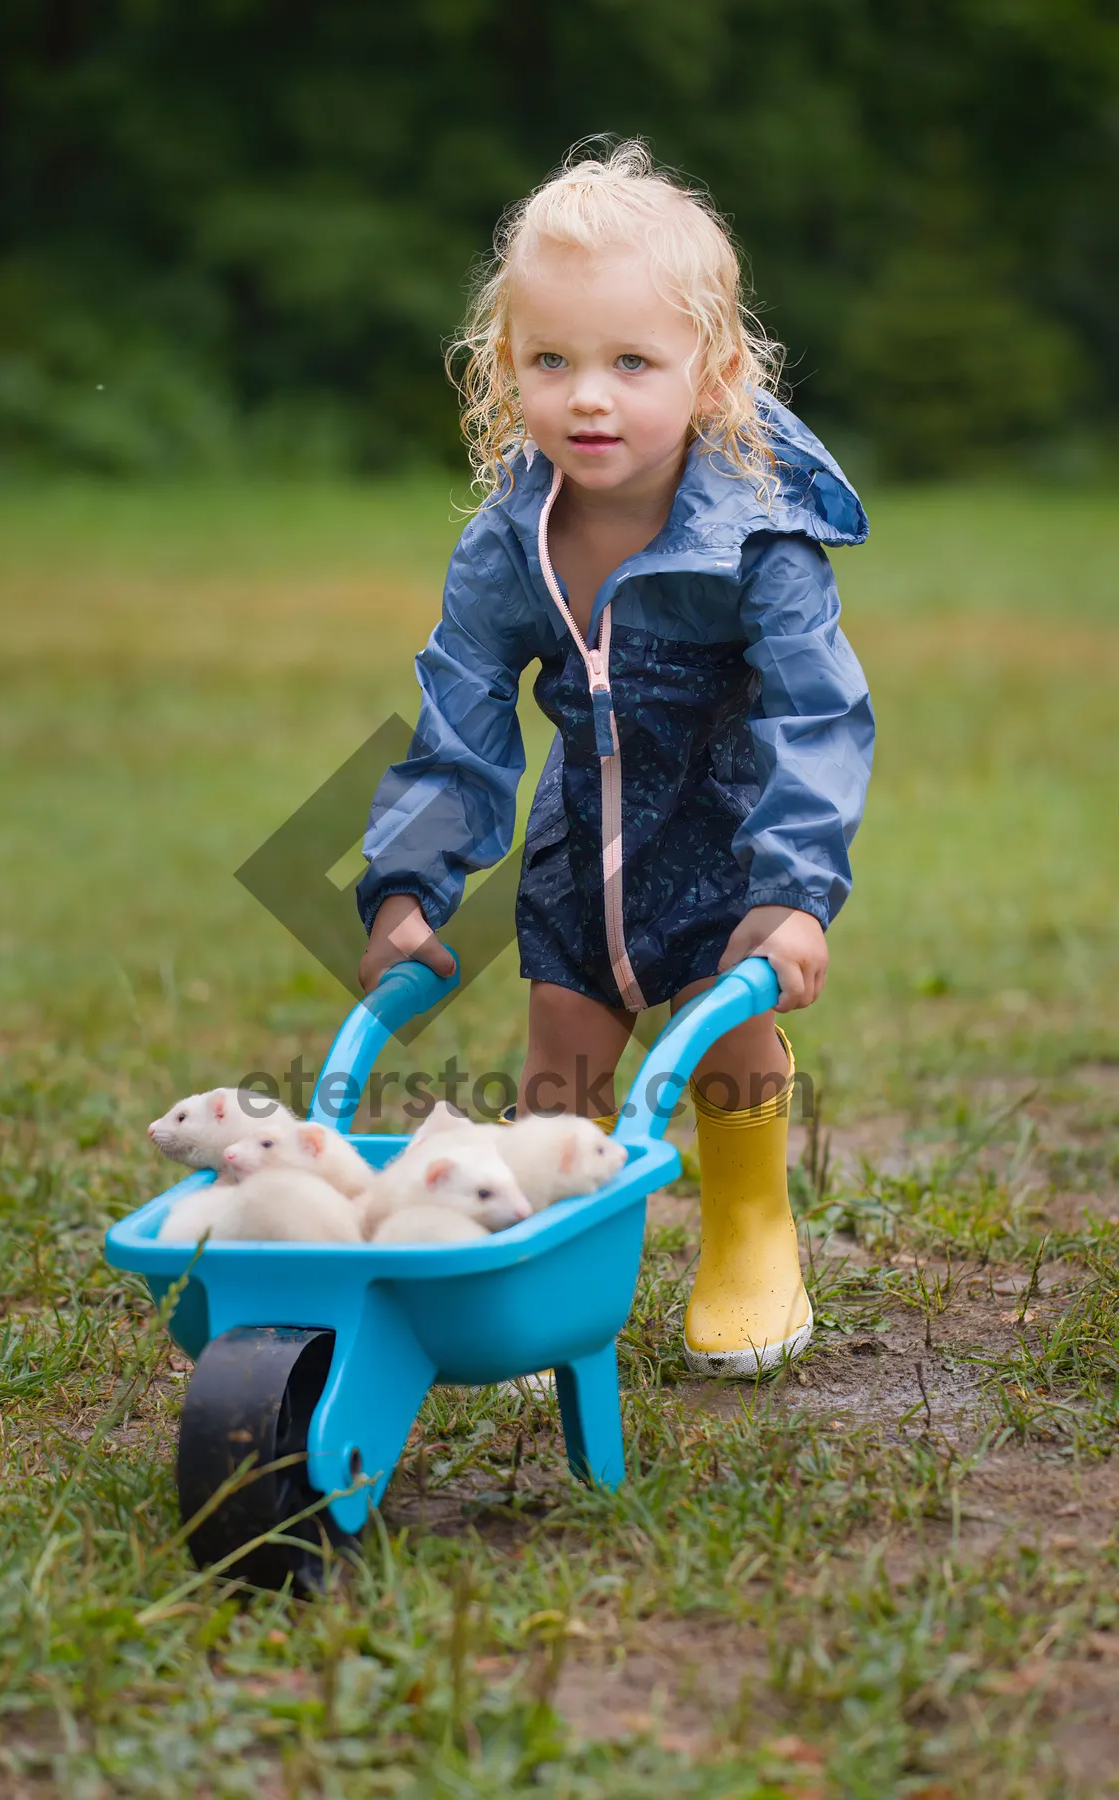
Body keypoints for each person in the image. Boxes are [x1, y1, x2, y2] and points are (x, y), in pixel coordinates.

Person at [355, 140, 874, 1376]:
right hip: (578, 848)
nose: (590, 397)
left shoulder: (761, 541)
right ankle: (545, 1264)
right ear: (506, 371)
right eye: (553, 362)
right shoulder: (510, 542)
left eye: (632, 363)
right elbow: (463, 705)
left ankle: (748, 1222)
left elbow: (816, 713)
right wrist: (408, 880)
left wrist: (792, 893)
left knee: (725, 1035)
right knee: (562, 1061)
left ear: (714, 372)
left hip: (722, 844)